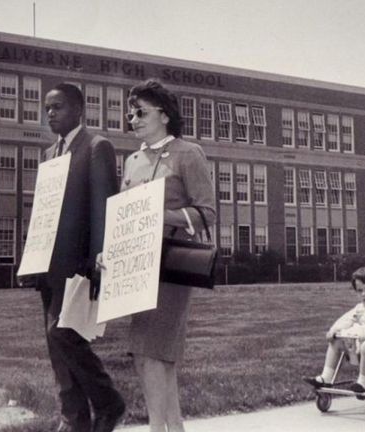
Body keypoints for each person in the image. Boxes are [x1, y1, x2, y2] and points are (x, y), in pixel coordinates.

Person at [22, 83, 124, 432]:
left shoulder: (97, 147)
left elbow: (104, 205)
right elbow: (44, 215)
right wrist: (31, 261)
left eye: (58, 107)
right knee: (55, 345)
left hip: (78, 265)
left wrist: (98, 257)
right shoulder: (49, 154)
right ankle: (74, 418)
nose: (50, 113)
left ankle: (108, 402)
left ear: (79, 110)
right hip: (48, 266)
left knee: (63, 334)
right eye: (47, 108)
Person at [122, 78, 215, 432]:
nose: (133, 119)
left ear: (164, 115)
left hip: (171, 266)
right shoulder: (132, 161)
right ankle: (172, 428)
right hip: (137, 266)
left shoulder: (187, 153)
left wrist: (159, 215)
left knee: (152, 351)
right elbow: (125, 215)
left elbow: (207, 213)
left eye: (140, 112)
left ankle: (157, 428)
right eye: (130, 113)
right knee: (151, 353)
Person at [303, 266, 365, 395]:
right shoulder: (359, 308)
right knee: (335, 342)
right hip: (357, 348)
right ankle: (326, 377)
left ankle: (363, 382)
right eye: (359, 291)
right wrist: (334, 331)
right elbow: (345, 320)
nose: (364, 294)